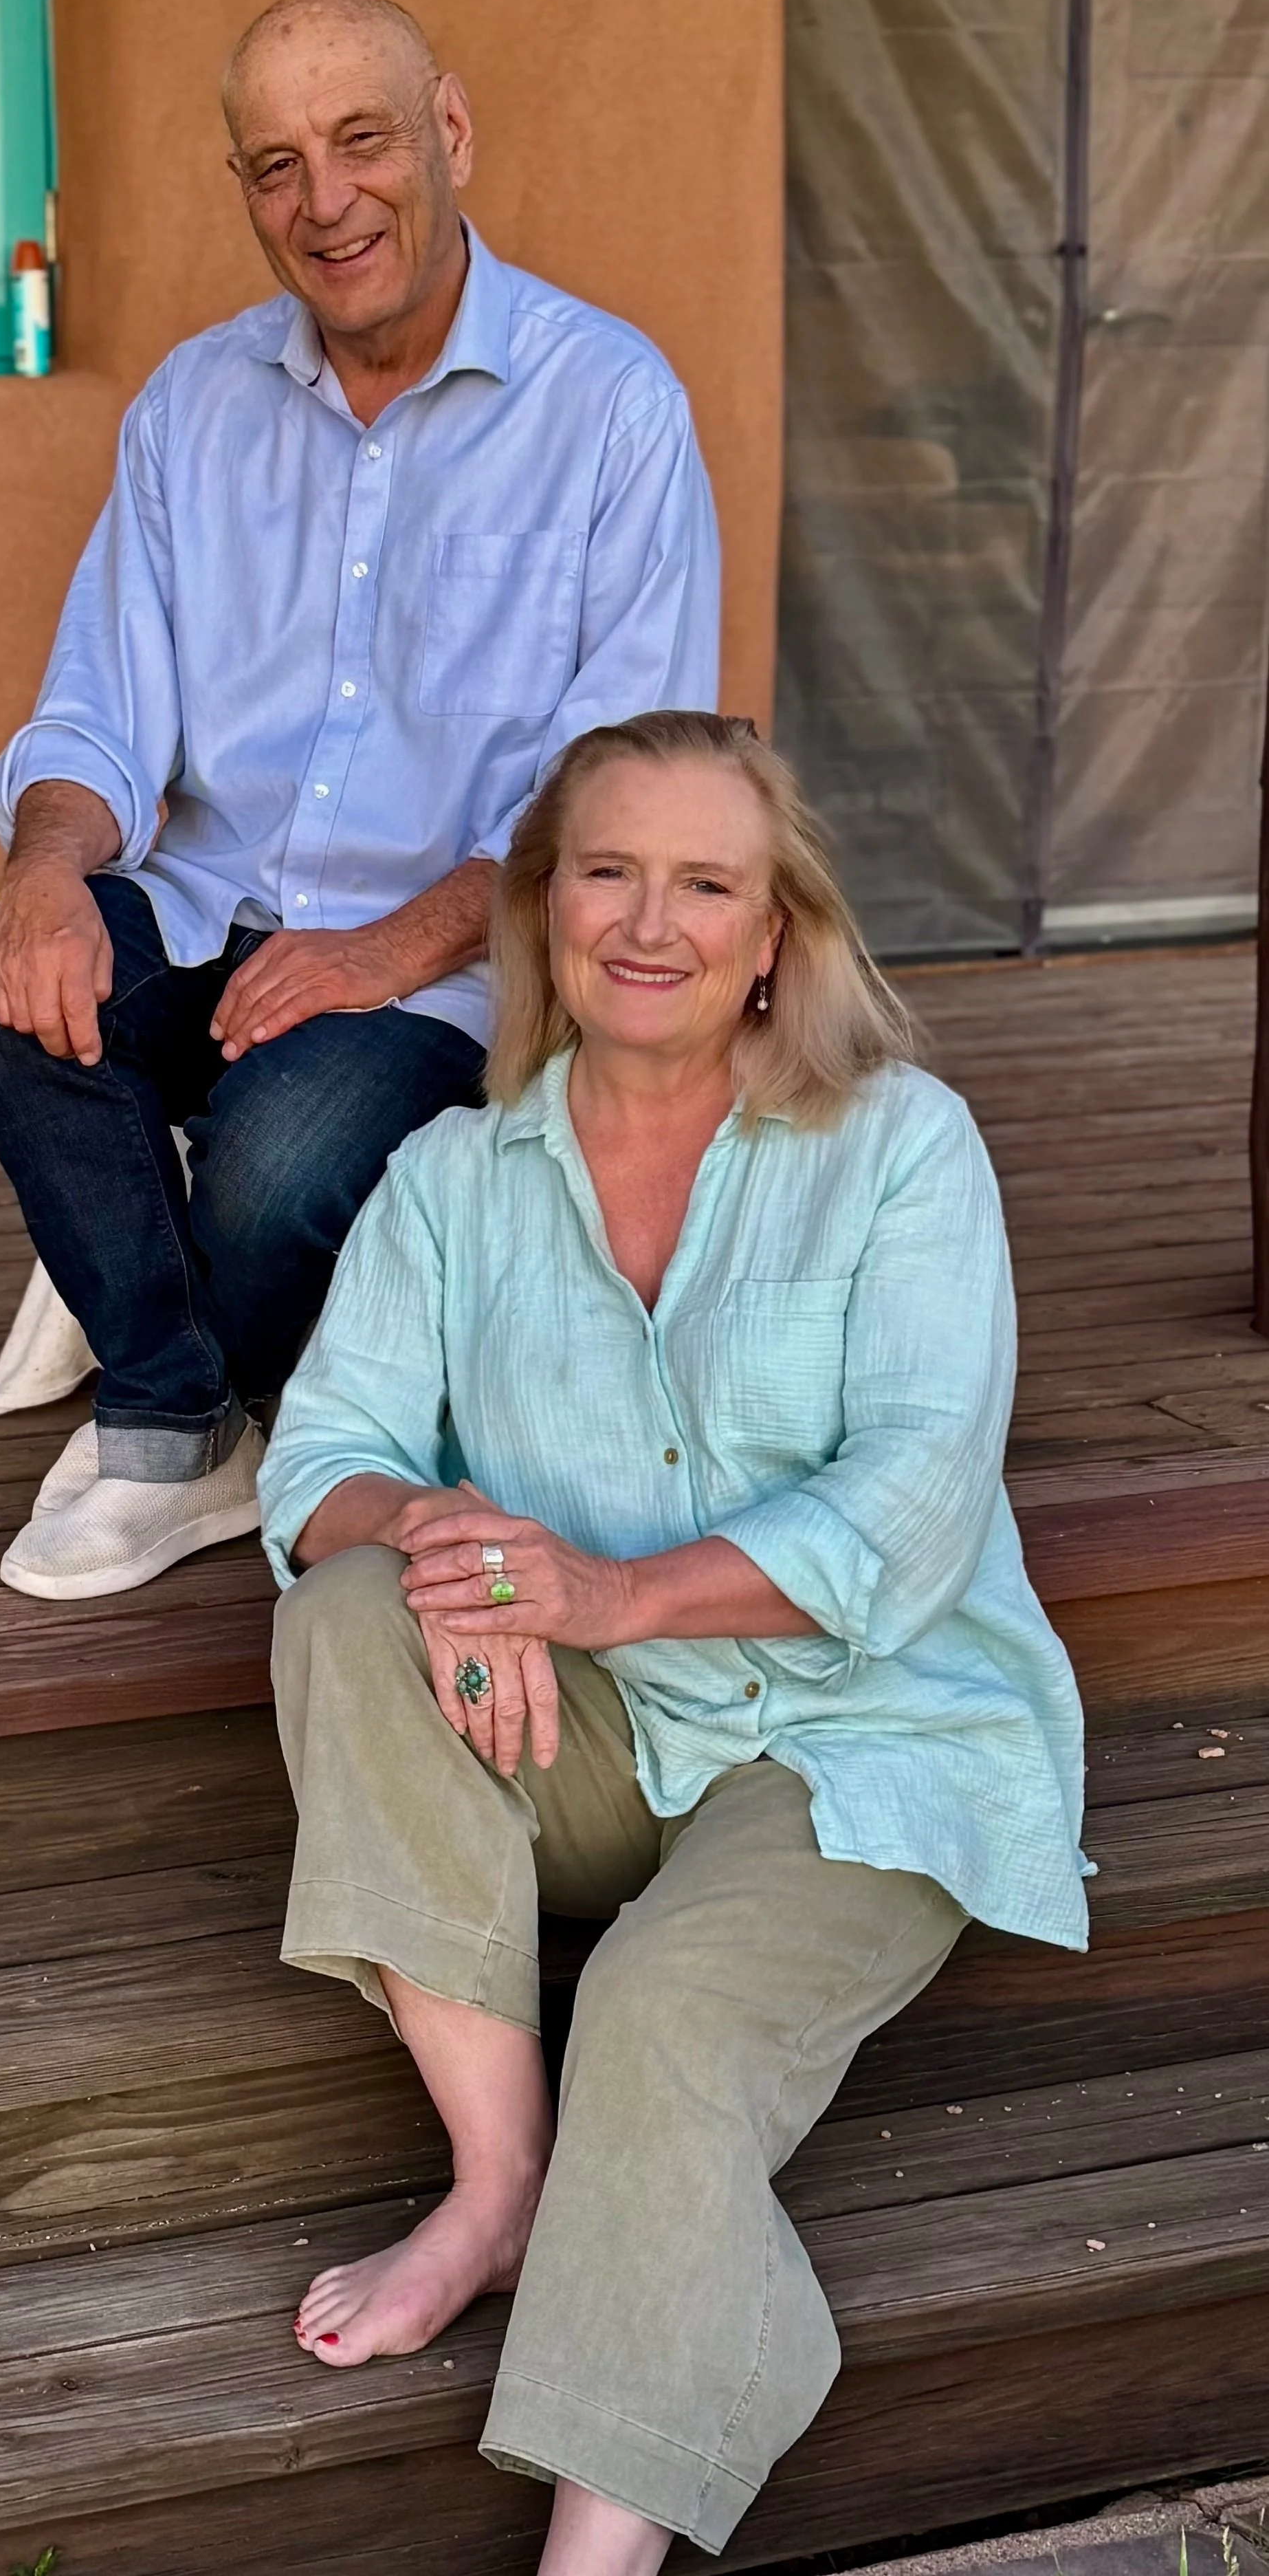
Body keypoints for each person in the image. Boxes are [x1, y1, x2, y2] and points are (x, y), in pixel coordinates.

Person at [257, 711, 1090, 2575]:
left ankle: (598, 2547)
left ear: (776, 930)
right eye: (603, 873)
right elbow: (322, 1463)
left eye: (704, 882)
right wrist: (442, 1532)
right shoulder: (455, 1185)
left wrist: (616, 1590)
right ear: (543, 916)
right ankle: (501, 2185)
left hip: (866, 1735)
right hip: (597, 1732)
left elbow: (913, 1499)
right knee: (346, 1609)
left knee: (653, 2011)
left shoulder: (898, 1150)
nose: (650, 922)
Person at [0, 0, 719, 1602]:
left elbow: (624, 788)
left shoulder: (611, 406)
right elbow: (97, 709)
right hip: (221, 905)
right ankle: (176, 1419)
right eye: (275, 164)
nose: (324, 199)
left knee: (281, 1170)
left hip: (445, 965)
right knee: (7, 982)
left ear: (446, 133)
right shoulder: (192, 408)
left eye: (360, 140)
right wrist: (41, 872)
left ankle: (125, 1262)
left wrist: (381, 951)